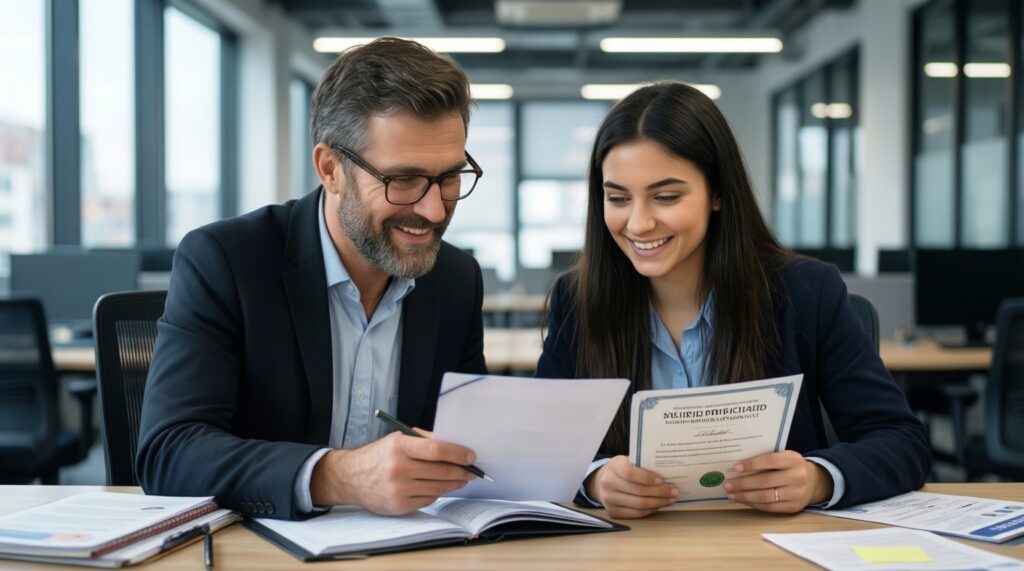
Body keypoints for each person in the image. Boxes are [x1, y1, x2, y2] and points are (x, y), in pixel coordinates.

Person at [536, 82, 931, 520]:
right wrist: (594, 480)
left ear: (718, 193)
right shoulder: (578, 300)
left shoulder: (804, 293)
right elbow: (539, 447)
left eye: (666, 197)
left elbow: (901, 440)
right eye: (618, 198)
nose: (639, 222)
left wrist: (818, 478)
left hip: (769, 550)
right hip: (632, 553)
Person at [137, 38, 488, 521]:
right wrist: (340, 476)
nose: (433, 209)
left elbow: (468, 444)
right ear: (331, 169)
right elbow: (170, 453)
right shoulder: (225, 261)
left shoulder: (456, 279)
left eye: (449, 177)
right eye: (403, 181)